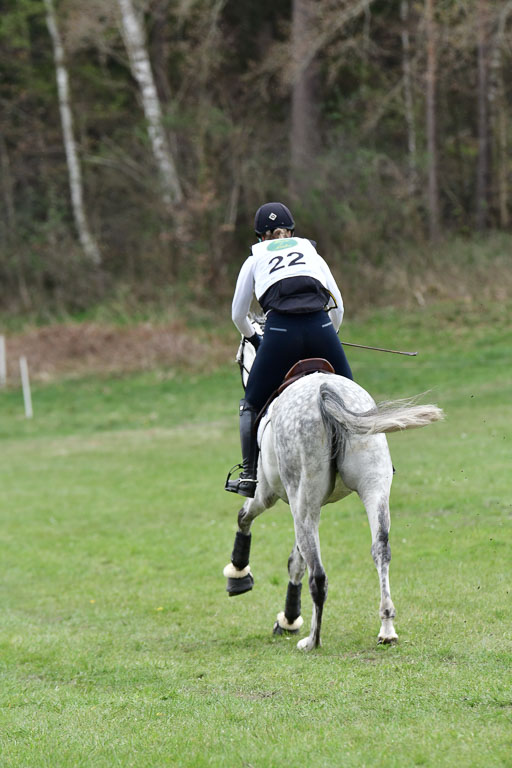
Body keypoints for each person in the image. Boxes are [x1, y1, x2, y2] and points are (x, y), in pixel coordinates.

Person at [225, 201, 353, 498]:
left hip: (280, 334)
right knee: (350, 391)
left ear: (260, 238)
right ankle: (372, 453)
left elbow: (237, 315)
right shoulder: (312, 254)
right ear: (292, 231)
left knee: (251, 403)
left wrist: (257, 341)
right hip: (321, 328)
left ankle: (248, 475)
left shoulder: (253, 260)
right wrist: (327, 336)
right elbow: (339, 307)